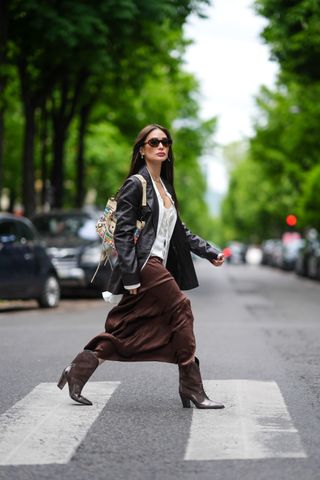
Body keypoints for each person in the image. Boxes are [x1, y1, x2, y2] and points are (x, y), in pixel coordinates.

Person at [57, 123, 225, 409]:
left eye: (165, 142)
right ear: (142, 149)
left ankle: (79, 369)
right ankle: (192, 387)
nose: (161, 146)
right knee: (181, 308)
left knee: (131, 327)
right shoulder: (136, 184)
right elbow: (123, 233)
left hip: (159, 263)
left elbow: (179, 232)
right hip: (146, 264)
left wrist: (209, 251)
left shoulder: (166, 188)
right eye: (154, 142)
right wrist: (131, 277)